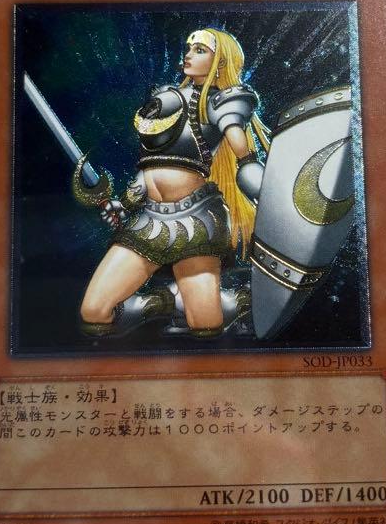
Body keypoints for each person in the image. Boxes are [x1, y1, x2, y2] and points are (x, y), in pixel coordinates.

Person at [78, 28, 268, 337]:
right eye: (189, 48)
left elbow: (244, 157)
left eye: (200, 50)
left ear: (220, 61)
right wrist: (123, 203)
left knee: (205, 326)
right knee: (94, 313)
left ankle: (235, 301)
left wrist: (266, 197)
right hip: (149, 222)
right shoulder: (164, 98)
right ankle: (160, 301)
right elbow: (150, 165)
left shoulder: (221, 101)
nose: (189, 54)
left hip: (196, 223)